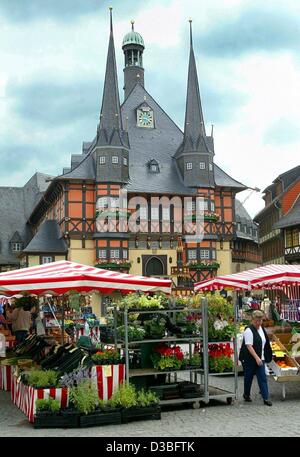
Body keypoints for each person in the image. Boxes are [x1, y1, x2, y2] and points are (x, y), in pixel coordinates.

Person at [239, 310, 273, 406]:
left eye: (260, 320)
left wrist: (262, 356)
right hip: (249, 358)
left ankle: (265, 398)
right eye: (257, 321)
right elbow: (249, 346)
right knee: (248, 377)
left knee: (262, 377)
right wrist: (256, 358)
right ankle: (246, 394)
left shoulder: (261, 329)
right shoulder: (248, 330)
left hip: (260, 357)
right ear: (252, 320)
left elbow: (264, 342)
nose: (259, 323)